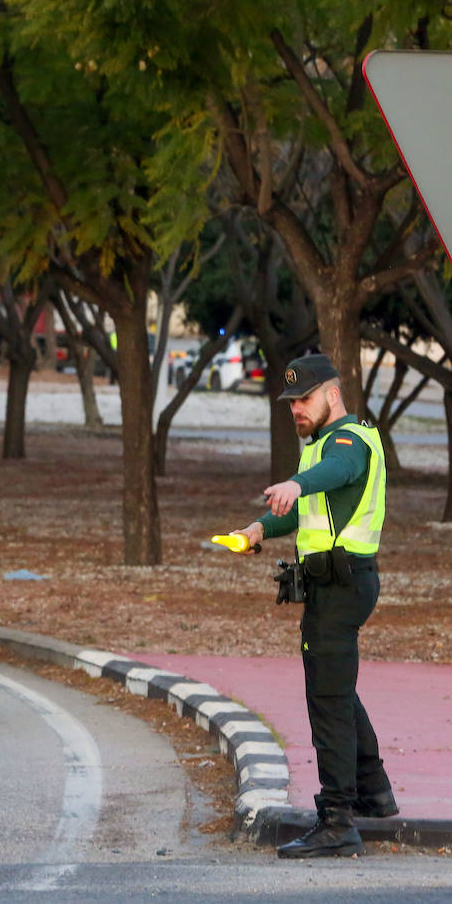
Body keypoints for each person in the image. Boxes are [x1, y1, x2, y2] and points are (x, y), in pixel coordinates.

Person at [228, 353, 396, 859]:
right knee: (336, 689)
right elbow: (305, 509)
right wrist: (259, 527)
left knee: (326, 699)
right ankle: (374, 792)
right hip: (336, 585)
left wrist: (297, 483)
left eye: (304, 399)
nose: (295, 409)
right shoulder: (321, 447)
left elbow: (335, 472)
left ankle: (338, 821)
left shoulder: (348, 441)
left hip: (343, 585)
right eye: (290, 403)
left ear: (332, 393)